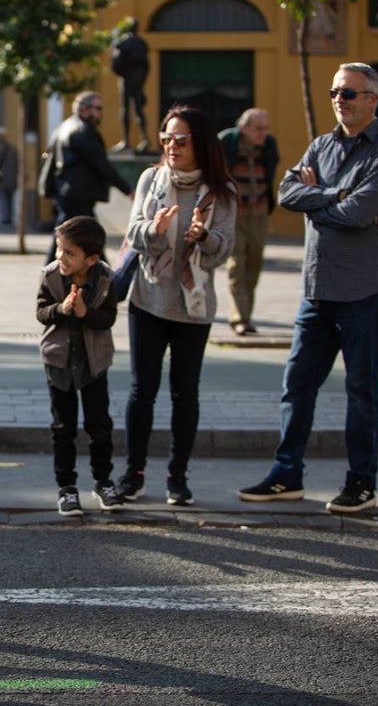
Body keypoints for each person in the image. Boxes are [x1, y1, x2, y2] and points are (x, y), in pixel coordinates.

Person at [238, 62, 378, 514]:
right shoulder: (321, 145)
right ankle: (286, 475)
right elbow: (289, 194)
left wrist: (323, 201)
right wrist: (334, 195)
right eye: (334, 92)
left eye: (348, 93)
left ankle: (361, 483)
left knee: (361, 390)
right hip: (317, 289)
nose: (338, 100)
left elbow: (360, 212)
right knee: (297, 385)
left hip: (362, 291)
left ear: (372, 98)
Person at [119, 104, 236, 507]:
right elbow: (134, 233)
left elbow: (223, 250)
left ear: (200, 144)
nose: (171, 146)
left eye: (180, 140)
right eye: (166, 138)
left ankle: (177, 477)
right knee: (142, 392)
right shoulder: (151, 178)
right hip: (148, 299)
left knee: (185, 394)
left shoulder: (222, 192)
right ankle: (133, 474)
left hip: (194, 306)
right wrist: (156, 229)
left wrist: (203, 237)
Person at [36, 215, 120, 516]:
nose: (61, 257)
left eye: (69, 253)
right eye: (59, 249)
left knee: (99, 425)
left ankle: (103, 481)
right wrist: (62, 308)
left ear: (92, 258)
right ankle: (67, 487)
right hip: (59, 362)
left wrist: (86, 313)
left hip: (93, 363)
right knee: (63, 427)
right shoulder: (51, 276)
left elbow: (108, 318)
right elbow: (42, 312)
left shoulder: (107, 279)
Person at [43, 92, 134, 262]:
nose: (100, 113)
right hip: (78, 193)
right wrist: (127, 189)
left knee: (70, 234)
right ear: (84, 109)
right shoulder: (83, 131)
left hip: (67, 193)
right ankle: (103, 276)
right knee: (86, 237)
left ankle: (99, 274)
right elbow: (102, 164)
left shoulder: (64, 127)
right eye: (98, 108)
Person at [218, 108, 280, 335]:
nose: (264, 133)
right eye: (258, 128)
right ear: (244, 128)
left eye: (266, 128)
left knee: (254, 263)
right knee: (237, 263)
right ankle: (239, 317)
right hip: (234, 212)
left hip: (259, 212)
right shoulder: (227, 142)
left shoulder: (269, 145)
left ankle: (247, 313)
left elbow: (271, 172)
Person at [110, 17, 151, 154]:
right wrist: (142, 79)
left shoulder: (123, 43)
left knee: (125, 109)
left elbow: (115, 63)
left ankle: (126, 141)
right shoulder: (141, 43)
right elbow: (146, 65)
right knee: (139, 109)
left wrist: (121, 73)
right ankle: (145, 138)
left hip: (126, 78)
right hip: (138, 78)